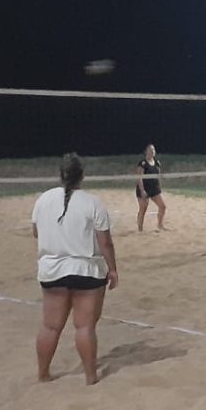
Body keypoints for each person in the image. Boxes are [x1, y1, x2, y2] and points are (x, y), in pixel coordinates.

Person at [31, 153, 119, 385]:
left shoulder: (43, 200)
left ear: (61, 175)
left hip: (52, 271)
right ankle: (91, 376)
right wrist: (113, 270)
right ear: (82, 176)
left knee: (50, 327)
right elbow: (105, 243)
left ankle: (43, 374)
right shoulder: (93, 203)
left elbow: (36, 232)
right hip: (86, 271)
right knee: (85, 326)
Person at [135, 144, 167, 232]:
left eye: (153, 150)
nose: (152, 152)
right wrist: (142, 190)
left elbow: (158, 175)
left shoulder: (157, 163)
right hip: (144, 189)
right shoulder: (143, 163)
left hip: (154, 189)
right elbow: (139, 177)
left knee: (163, 206)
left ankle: (160, 225)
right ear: (146, 152)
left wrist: (160, 187)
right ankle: (140, 228)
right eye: (150, 150)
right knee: (143, 208)